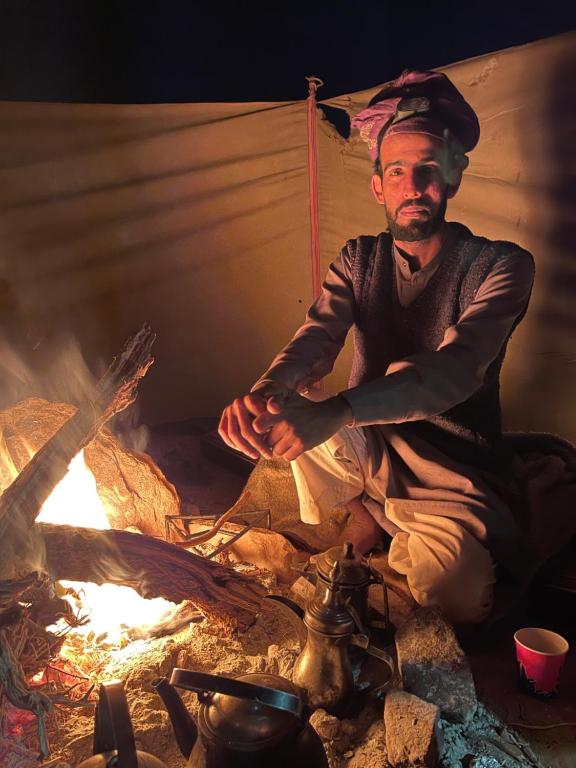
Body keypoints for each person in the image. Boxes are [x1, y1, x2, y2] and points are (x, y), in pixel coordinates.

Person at [218, 69, 535, 623]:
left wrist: (340, 410)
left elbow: (454, 373)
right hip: (368, 443)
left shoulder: (502, 265)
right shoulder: (358, 258)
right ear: (378, 186)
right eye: (397, 171)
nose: (412, 187)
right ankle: (365, 517)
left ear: (454, 178)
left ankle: (383, 528)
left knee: (456, 597)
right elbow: (316, 337)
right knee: (283, 406)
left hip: (451, 472)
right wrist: (266, 391)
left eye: (428, 171)